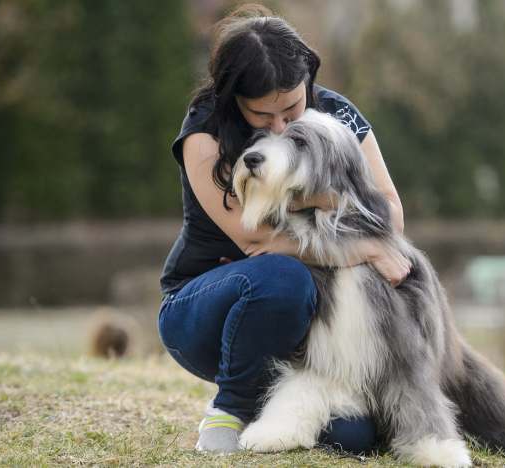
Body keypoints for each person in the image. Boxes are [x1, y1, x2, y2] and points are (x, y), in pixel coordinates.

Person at [158, 4, 412, 455]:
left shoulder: (338, 116)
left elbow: (390, 210)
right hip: (206, 309)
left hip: (304, 331)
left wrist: (329, 204)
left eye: (292, 108)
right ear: (234, 97)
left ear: (308, 79)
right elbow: (256, 240)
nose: (280, 125)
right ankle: (230, 408)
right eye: (262, 115)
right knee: (283, 276)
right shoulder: (204, 128)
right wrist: (364, 249)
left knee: (354, 440)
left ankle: (275, 403)